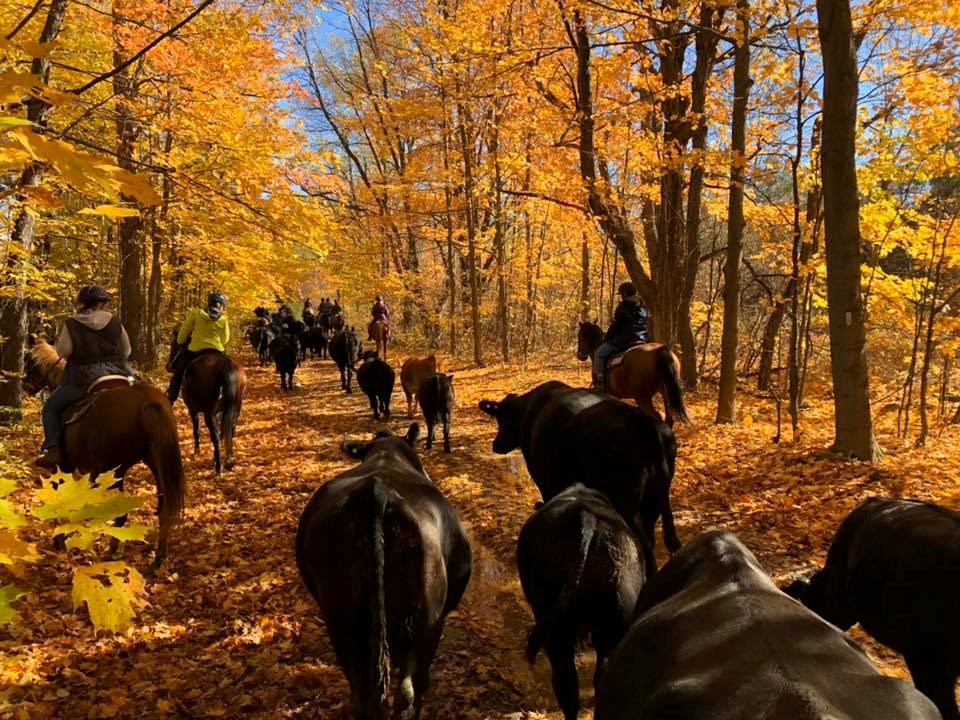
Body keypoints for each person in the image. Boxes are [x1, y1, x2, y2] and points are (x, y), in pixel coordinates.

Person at [34, 285, 133, 470]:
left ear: (82, 304)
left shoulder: (72, 323)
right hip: (118, 374)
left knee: (50, 408)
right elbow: (127, 350)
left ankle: (53, 449)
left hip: (83, 378)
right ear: (103, 304)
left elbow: (63, 352)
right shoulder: (115, 321)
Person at [167, 292, 230, 404]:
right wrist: (220, 345)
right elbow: (225, 339)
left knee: (180, 371)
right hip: (216, 350)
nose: (223, 308)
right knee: (227, 371)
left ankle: (171, 396)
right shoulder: (223, 319)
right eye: (223, 305)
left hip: (195, 349)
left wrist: (180, 341)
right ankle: (224, 396)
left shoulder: (196, 313)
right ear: (219, 305)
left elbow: (185, 330)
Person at [592, 281, 649, 393]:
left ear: (625, 294)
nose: (621, 297)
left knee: (599, 354)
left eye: (622, 294)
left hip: (624, 339)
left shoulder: (622, 307)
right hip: (642, 339)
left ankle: (599, 382)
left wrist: (606, 338)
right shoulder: (643, 306)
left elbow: (615, 326)